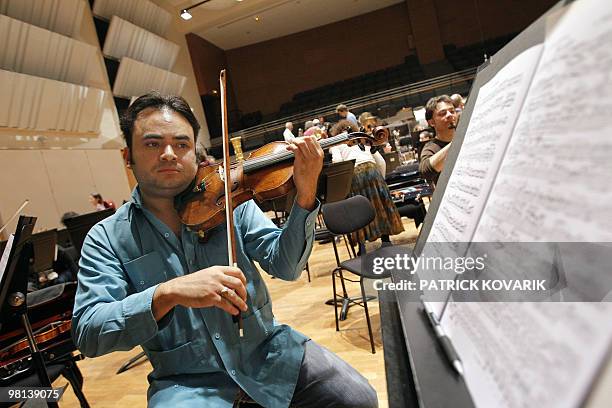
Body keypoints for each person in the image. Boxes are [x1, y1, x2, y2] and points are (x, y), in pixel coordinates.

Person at [71, 92, 377, 408]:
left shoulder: (230, 200)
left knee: (357, 399)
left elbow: (285, 266)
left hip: (267, 353)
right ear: (127, 156)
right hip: (186, 383)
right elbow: (88, 330)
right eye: (152, 144)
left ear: (194, 151)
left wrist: (305, 195)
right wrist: (166, 293)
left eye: (181, 144)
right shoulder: (106, 237)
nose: (169, 154)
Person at [329, 120, 404, 245]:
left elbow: (338, 161)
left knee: (358, 209)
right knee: (379, 205)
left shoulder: (338, 143)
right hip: (373, 170)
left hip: (355, 174)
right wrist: (381, 181)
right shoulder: (363, 139)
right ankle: (386, 240)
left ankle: (362, 245)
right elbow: (381, 162)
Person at [419, 95, 457, 186]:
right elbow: (425, 171)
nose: (449, 115)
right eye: (443, 113)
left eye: (452, 111)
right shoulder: (431, 147)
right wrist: (458, 142)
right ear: (431, 122)